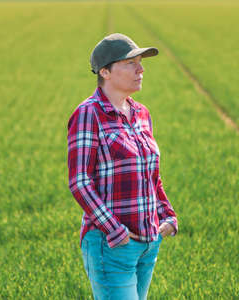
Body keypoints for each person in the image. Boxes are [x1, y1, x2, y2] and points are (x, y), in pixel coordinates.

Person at [67, 33, 178, 300]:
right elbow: (80, 181)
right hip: (111, 245)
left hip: (148, 244)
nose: (140, 69)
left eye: (140, 62)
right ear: (105, 71)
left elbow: (151, 176)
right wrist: (115, 230)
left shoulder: (141, 114)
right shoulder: (88, 114)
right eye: (130, 63)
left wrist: (167, 216)